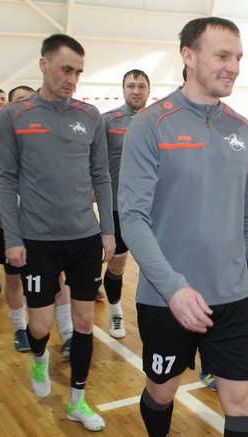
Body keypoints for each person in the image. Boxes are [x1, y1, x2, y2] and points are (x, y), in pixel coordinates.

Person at [119, 17, 248, 437]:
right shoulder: (151, 126)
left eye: (238, 57)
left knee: (244, 403)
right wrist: (174, 287)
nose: (233, 67)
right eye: (222, 56)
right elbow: (132, 218)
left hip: (234, 297)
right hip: (166, 299)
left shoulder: (243, 131)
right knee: (162, 391)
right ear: (189, 56)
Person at [0, 34, 114, 431]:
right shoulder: (15, 115)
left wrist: (107, 230)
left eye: (78, 72)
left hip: (84, 239)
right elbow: (6, 178)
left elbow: (101, 175)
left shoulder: (90, 115)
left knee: (84, 322)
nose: (73, 79)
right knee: (40, 326)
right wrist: (13, 239)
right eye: (66, 69)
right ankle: (39, 358)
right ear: (44, 65)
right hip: (37, 241)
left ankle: (77, 401)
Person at [0, 85, 74, 354]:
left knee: (57, 277)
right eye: (20, 100)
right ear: (9, 106)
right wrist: (12, 195)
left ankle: (68, 334)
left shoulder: (46, 132)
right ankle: (20, 328)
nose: (26, 105)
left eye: (30, 100)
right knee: (15, 279)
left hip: (48, 219)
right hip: (12, 220)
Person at [101, 69, 150, 339]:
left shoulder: (158, 120)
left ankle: (153, 314)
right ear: (123, 89)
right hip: (118, 208)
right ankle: (115, 312)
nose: (136, 91)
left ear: (148, 90)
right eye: (131, 85)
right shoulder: (108, 121)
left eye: (141, 86)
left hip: (152, 208)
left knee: (154, 264)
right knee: (117, 265)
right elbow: (95, 161)